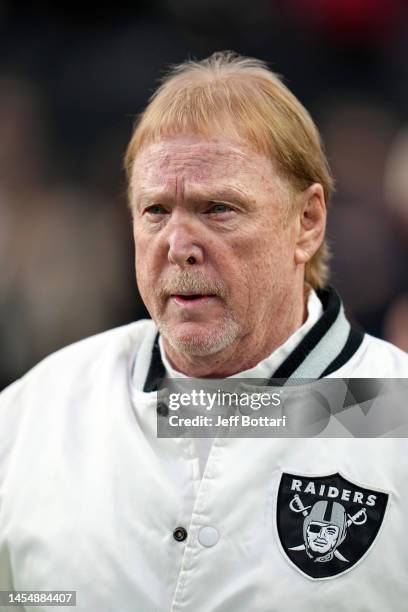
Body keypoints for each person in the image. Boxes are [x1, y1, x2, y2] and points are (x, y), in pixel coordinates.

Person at [0, 52, 407, 611]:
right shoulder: (38, 413)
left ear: (307, 221)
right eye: (155, 210)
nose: (178, 244)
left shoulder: (395, 410)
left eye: (218, 208)